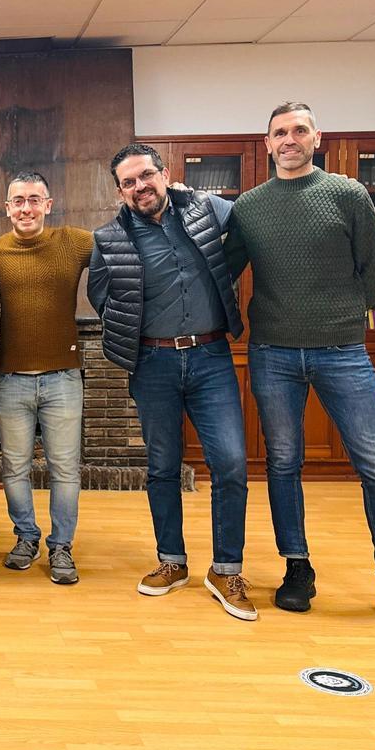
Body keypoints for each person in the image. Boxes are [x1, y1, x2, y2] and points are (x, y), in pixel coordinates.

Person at [224, 101, 375, 632]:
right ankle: (297, 567)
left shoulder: (348, 193)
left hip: (343, 352)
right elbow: (224, 269)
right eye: (279, 133)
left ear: (318, 138)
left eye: (299, 130)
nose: (289, 140)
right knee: (283, 464)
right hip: (273, 354)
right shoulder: (249, 207)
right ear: (267, 144)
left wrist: (341, 314)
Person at [89, 145, 255, 621]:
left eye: (146, 175)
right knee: (162, 467)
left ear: (164, 174)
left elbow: (248, 221)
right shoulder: (109, 238)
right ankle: (172, 561)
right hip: (153, 363)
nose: (140, 186)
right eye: (128, 182)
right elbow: (101, 295)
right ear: (120, 191)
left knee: (230, 464)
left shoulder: (205, 209)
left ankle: (226, 571)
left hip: (211, 358)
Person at [0, 171, 93, 584]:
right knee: (14, 467)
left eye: (34, 199)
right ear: (7, 208)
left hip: (62, 378)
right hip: (9, 379)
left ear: (48, 204)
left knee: (65, 468)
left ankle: (61, 546)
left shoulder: (74, 242)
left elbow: (122, 240)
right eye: (18, 201)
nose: (26, 208)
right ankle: (26, 536)